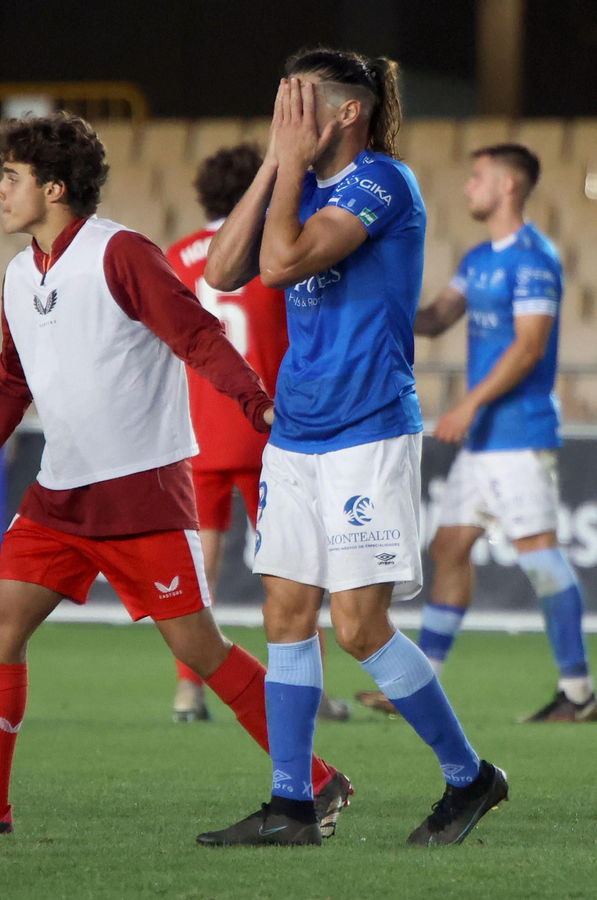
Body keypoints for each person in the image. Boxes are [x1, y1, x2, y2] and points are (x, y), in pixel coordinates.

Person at [0, 113, 352, 838]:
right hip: (58, 498)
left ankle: (319, 780)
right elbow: (12, 381)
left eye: (9, 178)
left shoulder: (123, 254)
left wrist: (254, 403)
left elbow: (198, 335)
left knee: (201, 652)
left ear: (52, 189)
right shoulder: (20, 274)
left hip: (141, 493)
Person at [197, 49, 506, 848]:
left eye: (296, 107)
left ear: (345, 114)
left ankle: (471, 777)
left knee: (359, 628)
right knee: (284, 612)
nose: (283, 121)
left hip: (368, 429)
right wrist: (276, 163)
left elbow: (279, 261)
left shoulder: (382, 183)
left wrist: (289, 166)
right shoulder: (294, 174)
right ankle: (293, 802)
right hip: (297, 433)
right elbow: (225, 271)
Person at [359, 144, 597, 724]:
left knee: (539, 557)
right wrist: (380, 299)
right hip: (486, 440)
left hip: (519, 431)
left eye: (478, 178)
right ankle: (422, 685)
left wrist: (466, 405)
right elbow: (438, 317)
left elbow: (528, 348)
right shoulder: (477, 259)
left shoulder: (534, 258)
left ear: (509, 186)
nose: (468, 188)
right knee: (449, 547)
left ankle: (578, 692)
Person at [164, 143, 348, 725]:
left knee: (200, 571)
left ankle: (188, 693)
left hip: (197, 433)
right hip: (269, 429)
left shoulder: (177, 256)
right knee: (294, 568)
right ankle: (310, 693)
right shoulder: (275, 249)